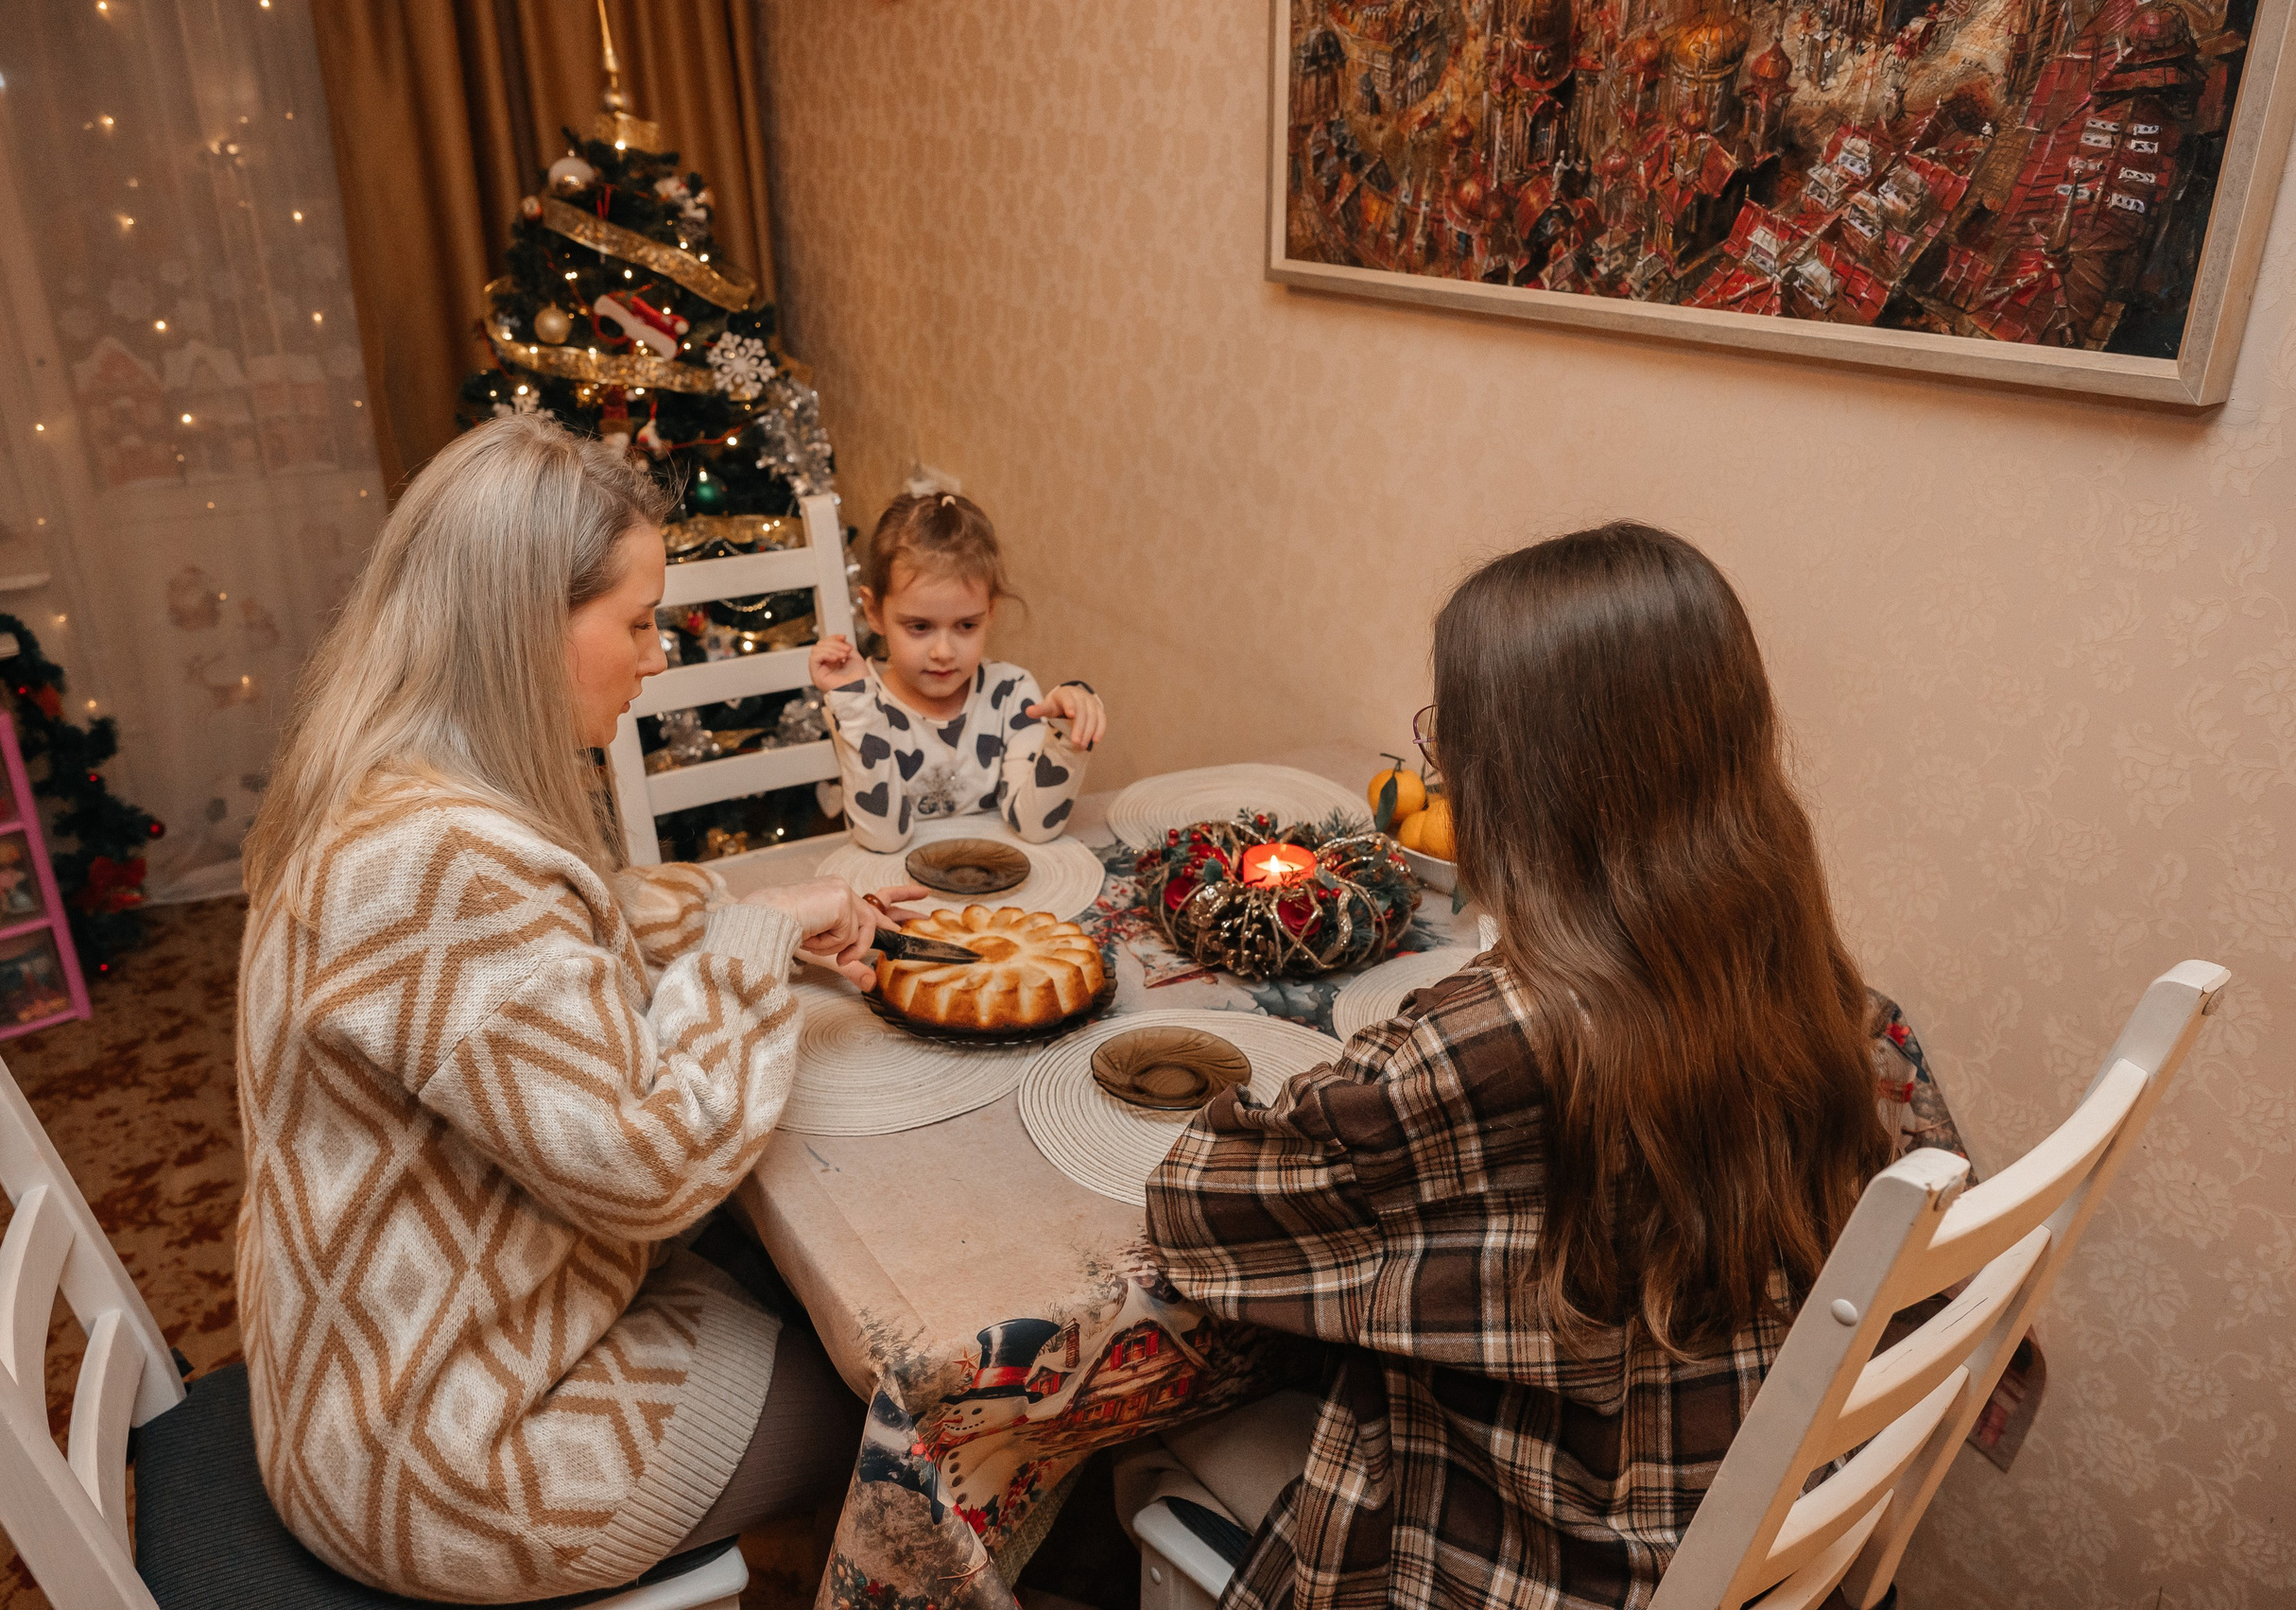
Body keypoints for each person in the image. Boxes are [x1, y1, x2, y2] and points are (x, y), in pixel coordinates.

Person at [1146, 523, 1900, 1610]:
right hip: (1737, 1520)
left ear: (1518, 784)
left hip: (1546, 1557)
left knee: (1153, 1449)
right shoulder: (1800, 967)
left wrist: (1375, 1059)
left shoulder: (1497, 1039)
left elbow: (1199, 1215)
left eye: (1450, 737)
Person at [233, 416, 914, 1602]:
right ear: (522, 623)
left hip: (361, 1375)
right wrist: (750, 941)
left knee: (805, 1271)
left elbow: (571, 929)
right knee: (905, 1396)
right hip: (444, 1460)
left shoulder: (395, 788)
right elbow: (654, 1162)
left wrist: (755, 910)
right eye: (638, 622)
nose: (657, 656)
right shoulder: (443, 865)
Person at [808, 491, 1107, 850]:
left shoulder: (1011, 692)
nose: (943, 653)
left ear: (989, 613)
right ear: (874, 613)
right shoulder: (859, 703)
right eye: (919, 627)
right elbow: (882, 839)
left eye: (966, 626)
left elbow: (1034, 827)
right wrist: (856, 707)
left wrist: (1068, 738)